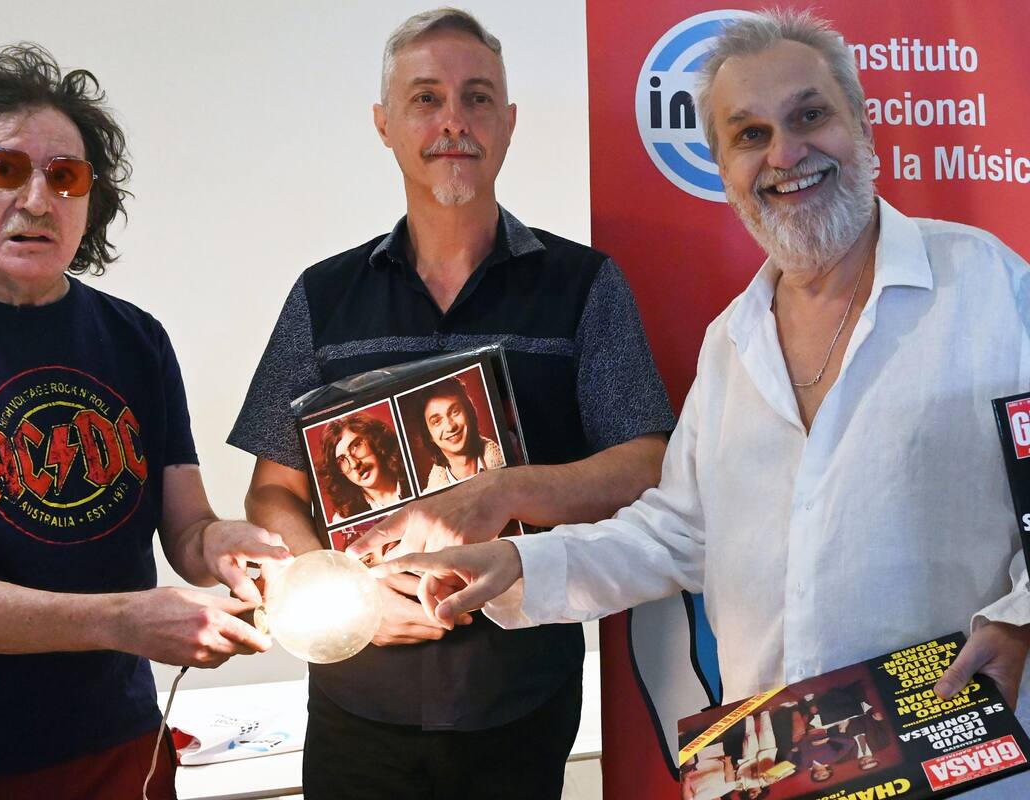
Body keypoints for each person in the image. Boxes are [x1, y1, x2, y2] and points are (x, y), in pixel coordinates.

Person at [378, 12, 1030, 798]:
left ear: (860, 124)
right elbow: (675, 532)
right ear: (722, 166)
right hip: (783, 766)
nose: (785, 154)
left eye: (809, 116)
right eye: (749, 134)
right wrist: (518, 560)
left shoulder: (989, 286)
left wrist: (1020, 617)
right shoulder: (731, 344)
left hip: (965, 763)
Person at [228, 8, 673, 798]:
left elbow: (646, 464)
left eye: (476, 99)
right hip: (353, 702)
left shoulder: (584, 287)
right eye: (426, 99)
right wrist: (340, 591)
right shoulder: (322, 296)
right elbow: (271, 490)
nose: (453, 122)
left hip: (521, 697)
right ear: (386, 125)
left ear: (507, 124)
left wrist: (501, 491)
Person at [0, 45, 290, 799]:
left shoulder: (135, 338)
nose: (39, 200)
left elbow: (186, 530)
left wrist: (226, 546)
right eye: (6, 169)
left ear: (90, 200)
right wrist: (127, 622)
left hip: (118, 742)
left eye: (66, 176)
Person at [412, 375, 504, 490]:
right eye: (436, 421)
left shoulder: (508, 457)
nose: (450, 427)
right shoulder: (430, 498)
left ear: (468, 412)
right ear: (429, 435)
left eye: (455, 412)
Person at [318, 412, 409, 521]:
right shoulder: (344, 520)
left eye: (356, 446)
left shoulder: (418, 475)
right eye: (341, 460)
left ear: (374, 439)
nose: (354, 464)